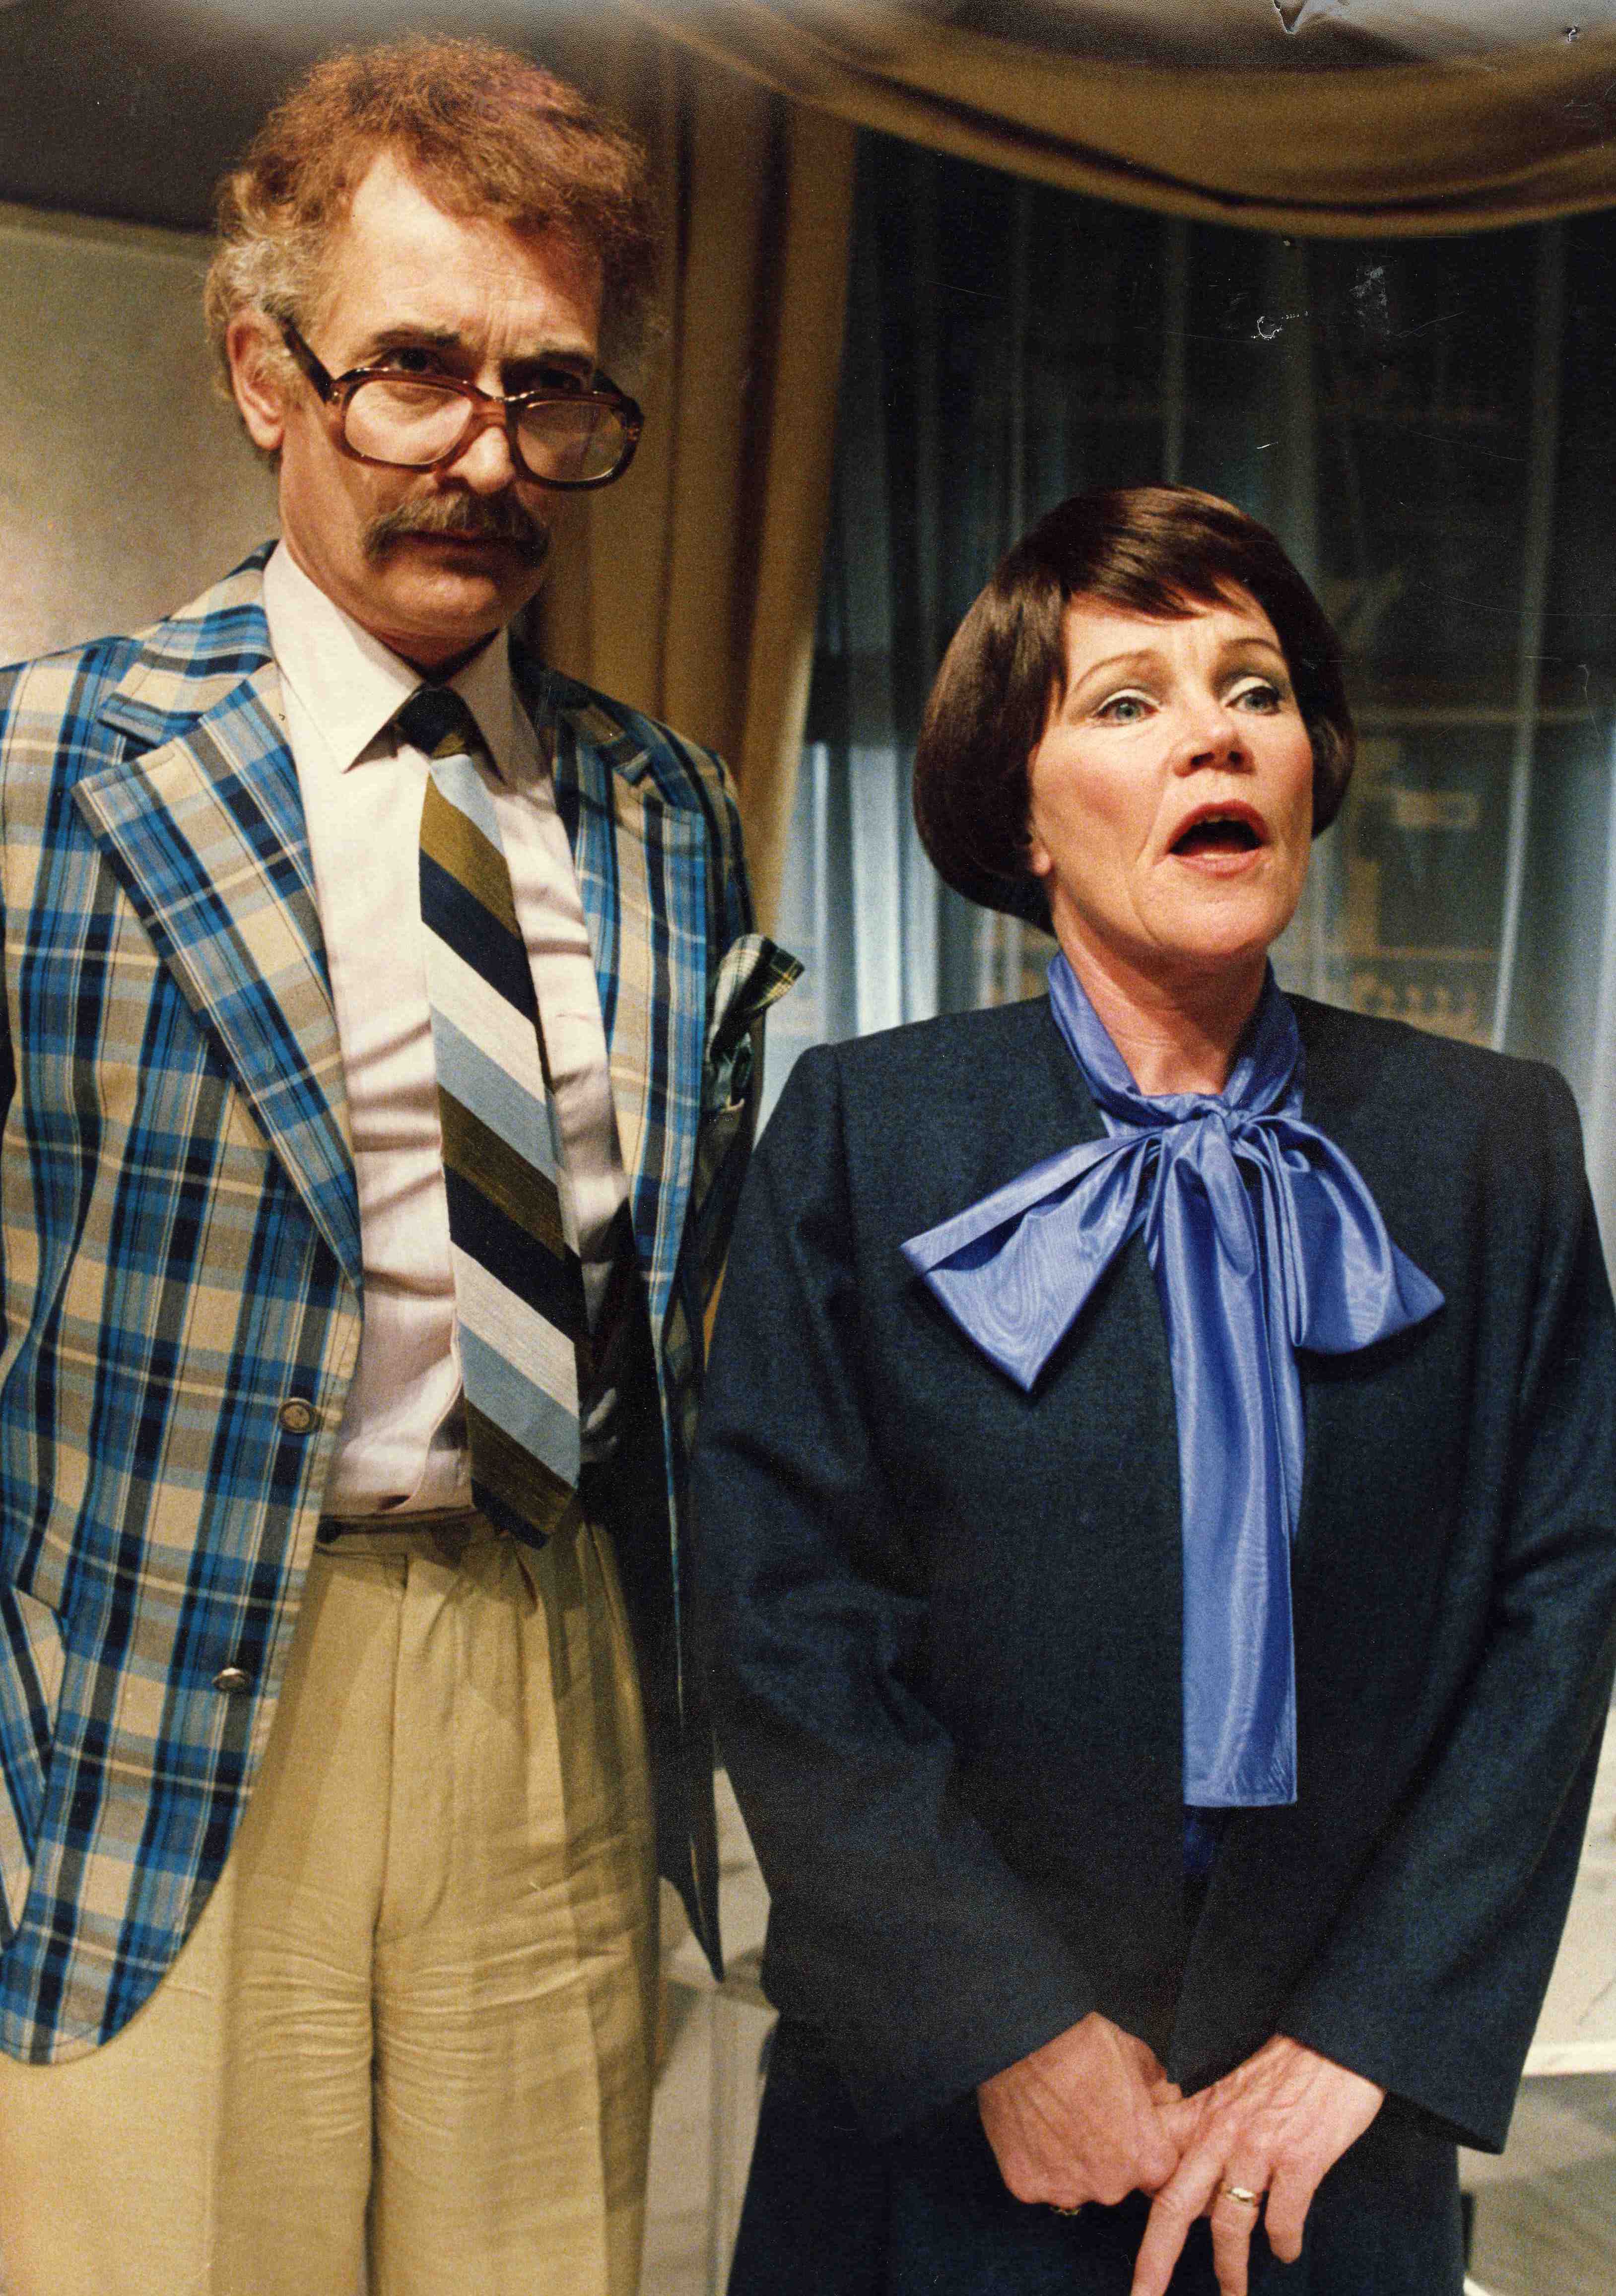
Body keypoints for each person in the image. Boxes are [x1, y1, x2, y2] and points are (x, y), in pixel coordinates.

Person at [0, 36, 794, 2296]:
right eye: (418, 372)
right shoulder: (46, 769)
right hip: (146, 1713)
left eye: (553, 393)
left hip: (558, 1685)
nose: (489, 454)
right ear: (266, 372)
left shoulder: (667, 809)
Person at [693, 483, 1616, 2296]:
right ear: (1020, 811)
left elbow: (1559, 1603)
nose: (1218, 734)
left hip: (1326, 2148)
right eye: (1129, 701)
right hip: (945, 2130)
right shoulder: (866, 1133)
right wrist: (1007, 2029)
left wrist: (1364, 2037)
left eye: (1256, 690)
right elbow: (783, 1625)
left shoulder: (1492, 1144)